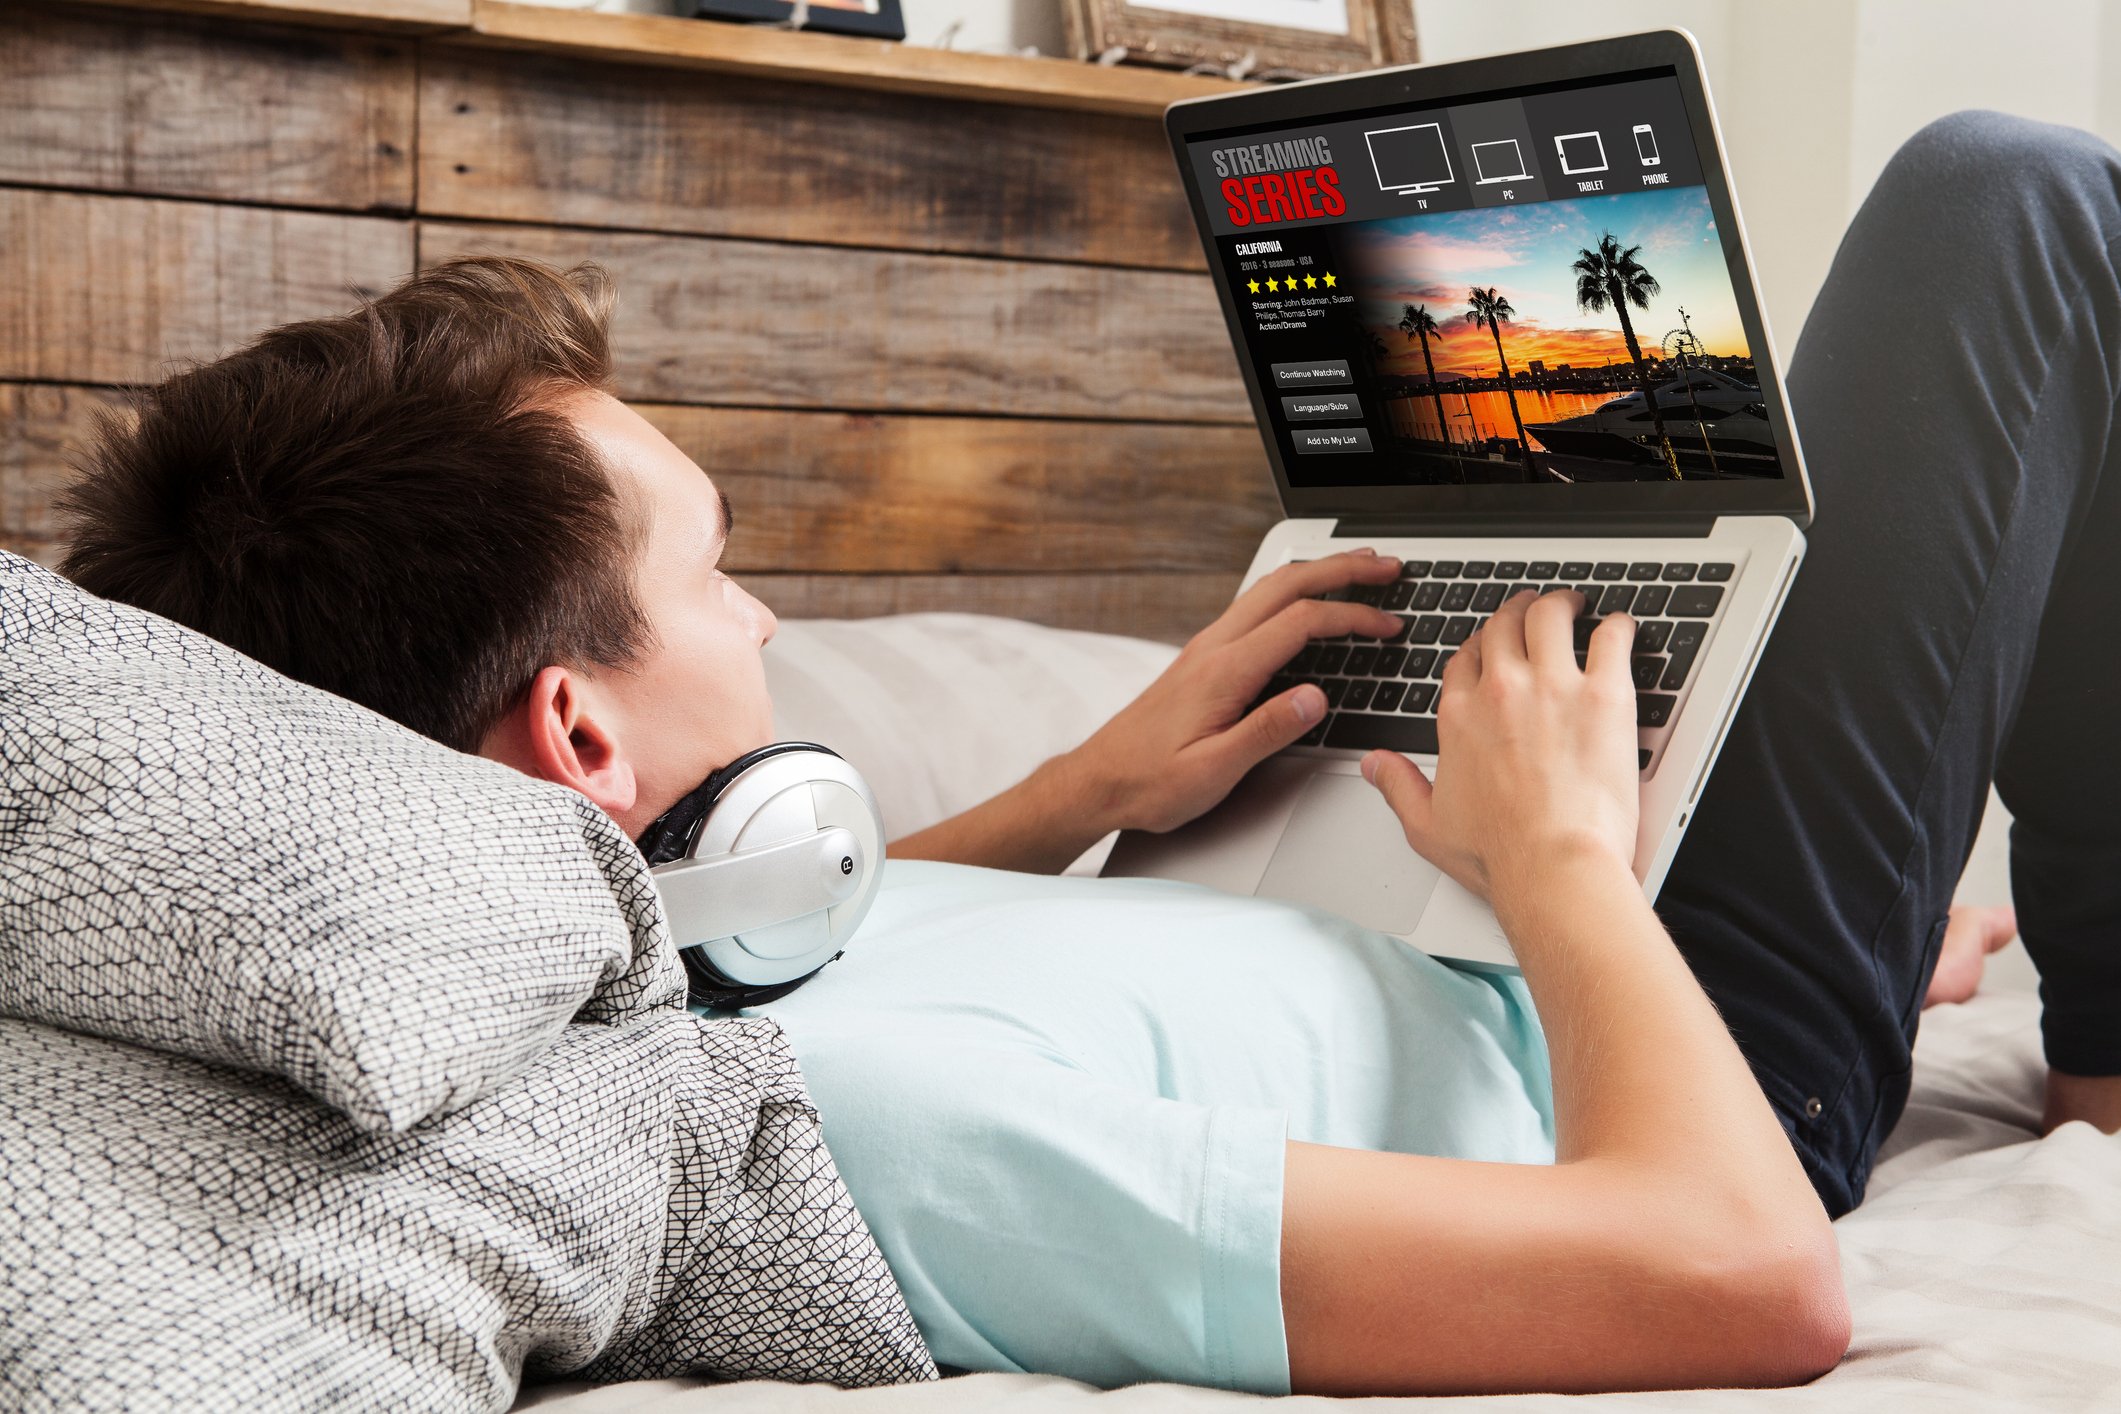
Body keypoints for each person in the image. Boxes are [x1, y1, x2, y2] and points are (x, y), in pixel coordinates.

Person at [53, 109, 2118, 1397]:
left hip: (1500, 897)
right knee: (2005, 208)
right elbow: (1738, 1277)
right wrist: (1569, 865)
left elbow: (796, 951)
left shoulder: (622, 971)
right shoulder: (869, 1128)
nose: (769, 623)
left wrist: (1093, 786)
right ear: (580, 727)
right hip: (1664, 1053)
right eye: (720, 573)